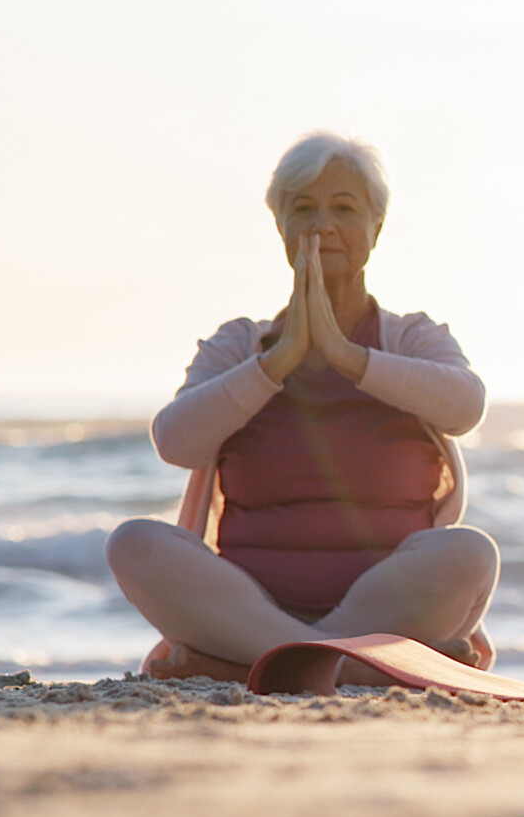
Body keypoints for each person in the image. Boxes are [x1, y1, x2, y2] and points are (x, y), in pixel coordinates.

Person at [107, 132, 499, 685]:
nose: (323, 223)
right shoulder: (239, 345)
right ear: (281, 227)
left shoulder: (411, 338)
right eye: (304, 208)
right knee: (134, 543)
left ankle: (262, 665)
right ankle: (347, 667)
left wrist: (345, 355)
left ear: (376, 229)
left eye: (344, 208)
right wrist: (281, 358)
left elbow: (465, 406)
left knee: (469, 552)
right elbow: (175, 442)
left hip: (388, 607)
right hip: (249, 610)